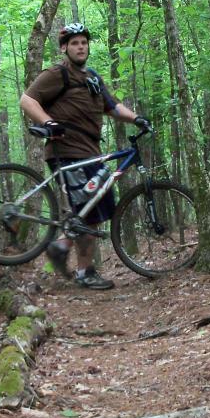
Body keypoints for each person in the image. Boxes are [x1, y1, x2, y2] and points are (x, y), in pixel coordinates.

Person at [19, 23, 150, 290]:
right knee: (88, 208)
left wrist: (137, 119)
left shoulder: (92, 77)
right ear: (65, 47)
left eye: (84, 43)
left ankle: (79, 267)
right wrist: (48, 123)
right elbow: (27, 100)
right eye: (75, 43)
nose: (81, 47)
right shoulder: (58, 73)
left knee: (94, 211)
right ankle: (65, 251)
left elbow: (112, 108)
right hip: (66, 151)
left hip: (90, 153)